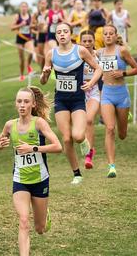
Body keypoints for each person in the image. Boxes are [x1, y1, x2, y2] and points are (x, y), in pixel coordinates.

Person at [0, 87, 62, 256]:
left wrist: (33, 148)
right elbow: (0, 139)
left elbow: (58, 146)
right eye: (19, 101)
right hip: (20, 180)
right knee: (24, 220)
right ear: (15, 104)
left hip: (40, 180)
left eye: (26, 101)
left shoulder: (39, 123)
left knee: (39, 228)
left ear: (33, 104)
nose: (22, 105)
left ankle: (44, 215)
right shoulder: (10, 125)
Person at [40, 23, 101, 185]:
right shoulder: (51, 54)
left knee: (78, 136)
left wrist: (91, 83)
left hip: (78, 100)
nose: (62, 34)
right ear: (56, 36)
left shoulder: (80, 50)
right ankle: (77, 174)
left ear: (70, 34)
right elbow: (44, 81)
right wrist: (45, 74)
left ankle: (85, 142)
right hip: (61, 100)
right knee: (66, 139)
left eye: (65, 31)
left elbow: (98, 69)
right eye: (59, 32)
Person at [98, 25, 137, 177]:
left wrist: (123, 72)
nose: (108, 36)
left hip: (121, 94)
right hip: (106, 94)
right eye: (105, 34)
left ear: (116, 36)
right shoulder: (99, 53)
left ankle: (124, 116)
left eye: (111, 34)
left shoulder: (122, 51)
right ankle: (111, 166)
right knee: (109, 128)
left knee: (122, 134)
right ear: (102, 37)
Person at [79, 30, 100, 169]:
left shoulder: (99, 55)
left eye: (89, 41)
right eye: (84, 41)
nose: (87, 44)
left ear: (94, 41)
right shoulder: (77, 56)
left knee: (89, 120)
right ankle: (86, 145)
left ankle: (89, 154)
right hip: (79, 93)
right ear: (80, 42)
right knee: (79, 127)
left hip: (94, 92)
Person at [12, 2, 35, 81]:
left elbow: (32, 26)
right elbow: (12, 27)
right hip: (20, 39)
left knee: (31, 52)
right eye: (22, 7)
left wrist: (33, 27)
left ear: (27, 8)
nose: (24, 8)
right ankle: (21, 74)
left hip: (28, 38)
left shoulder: (31, 16)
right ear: (20, 8)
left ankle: (28, 66)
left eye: (25, 7)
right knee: (21, 58)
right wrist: (20, 25)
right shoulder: (17, 16)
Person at [33, 0, 49, 72]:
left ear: (46, 4)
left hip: (48, 34)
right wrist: (37, 25)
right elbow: (31, 25)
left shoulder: (49, 12)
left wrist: (47, 25)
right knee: (41, 55)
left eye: (44, 3)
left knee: (47, 54)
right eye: (42, 3)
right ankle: (43, 72)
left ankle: (51, 71)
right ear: (39, 4)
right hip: (40, 36)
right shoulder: (36, 14)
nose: (43, 5)